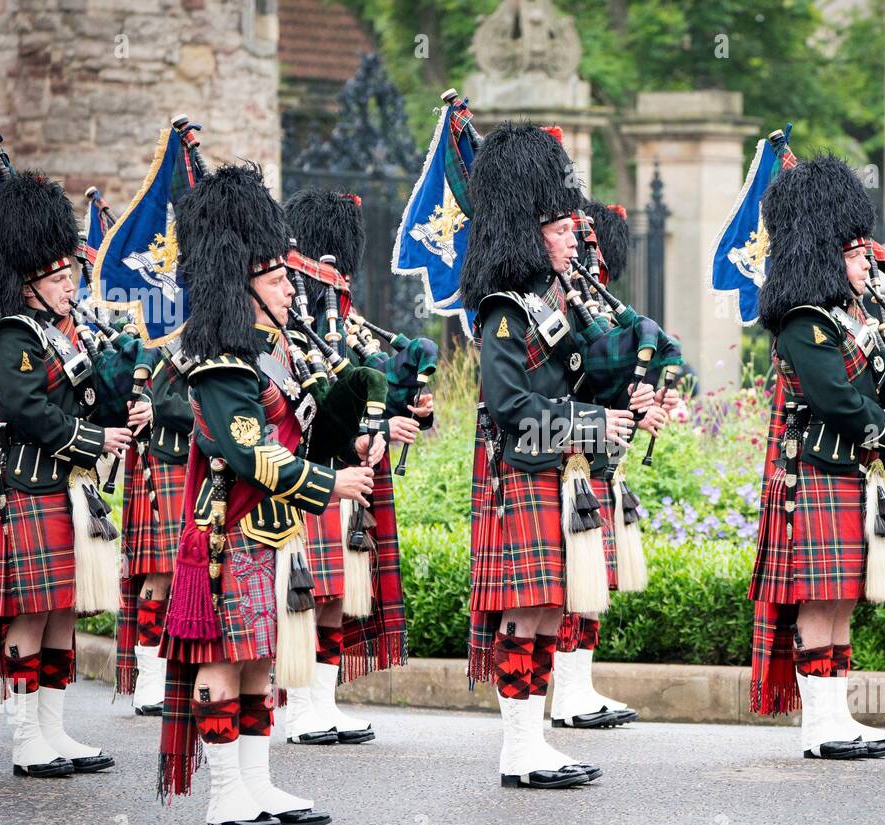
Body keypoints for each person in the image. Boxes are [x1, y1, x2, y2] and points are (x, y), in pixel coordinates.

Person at [157, 163, 375, 825]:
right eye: (278, 278)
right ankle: (226, 797)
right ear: (245, 285)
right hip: (232, 531)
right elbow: (252, 454)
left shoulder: (272, 354)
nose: (290, 288)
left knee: (258, 661)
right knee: (226, 659)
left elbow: (303, 428)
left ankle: (258, 784)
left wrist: (354, 432)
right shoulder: (224, 363)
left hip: (272, 533)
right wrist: (327, 484)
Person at [461, 123, 642, 788]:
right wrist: (595, 422)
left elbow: (583, 381)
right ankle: (518, 748)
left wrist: (633, 396)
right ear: (530, 231)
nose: (575, 237)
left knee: (547, 612)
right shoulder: (506, 311)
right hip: (524, 472)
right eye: (561, 229)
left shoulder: (552, 305)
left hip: (557, 474)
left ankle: (532, 742)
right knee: (525, 612)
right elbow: (510, 410)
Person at [747, 155, 885, 760]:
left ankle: (839, 715)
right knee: (819, 598)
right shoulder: (805, 322)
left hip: (847, 474)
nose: (867, 264)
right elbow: (836, 400)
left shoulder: (847, 317)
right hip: (813, 472)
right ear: (826, 254)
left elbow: (874, 386)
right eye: (858, 255)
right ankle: (819, 727)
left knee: (841, 597)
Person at [0, 171, 129, 777]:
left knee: (62, 608)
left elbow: (79, 399)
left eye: (70, 277)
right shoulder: (14, 335)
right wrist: (93, 437)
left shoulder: (64, 334)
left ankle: (55, 730)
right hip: (26, 483)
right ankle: (25, 738)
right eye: (59, 279)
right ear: (29, 284)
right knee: (30, 609)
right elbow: (29, 410)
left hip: (65, 485)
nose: (69, 287)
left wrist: (121, 404)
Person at [280, 187, 425, 744]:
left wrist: (410, 404)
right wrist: (375, 427)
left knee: (339, 589)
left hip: (356, 469)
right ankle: (297, 709)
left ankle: (324, 701)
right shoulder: (293, 327)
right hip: (314, 465)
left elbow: (372, 383)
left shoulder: (348, 324)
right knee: (307, 589)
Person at [550, 199, 676, 728]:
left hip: (599, 460)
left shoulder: (596, 306)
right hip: (567, 456)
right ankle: (566, 694)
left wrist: (652, 398)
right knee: (568, 586)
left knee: (592, 582)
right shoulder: (549, 308)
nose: (586, 260)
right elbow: (570, 384)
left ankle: (580, 686)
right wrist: (625, 406)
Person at [115, 341, 194, 715]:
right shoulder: (155, 341)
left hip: (200, 458)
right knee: (161, 571)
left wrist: (160, 408)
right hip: (162, 459)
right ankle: (149, 680)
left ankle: (178, 675)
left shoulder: (216, 333)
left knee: (191, 573)